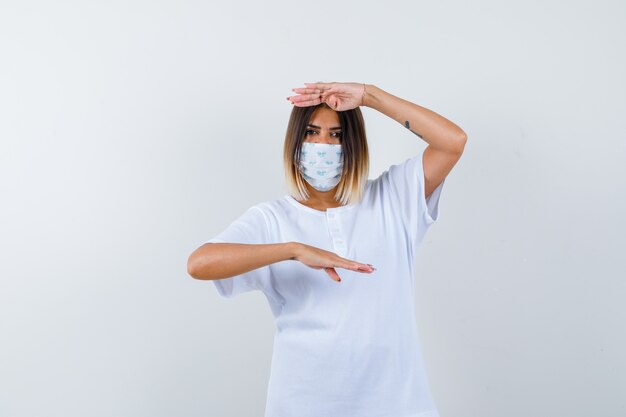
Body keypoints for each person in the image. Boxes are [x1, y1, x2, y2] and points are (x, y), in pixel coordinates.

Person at [187, 81, 467, 417]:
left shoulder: (393, 199)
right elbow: (199, 264)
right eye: (312, 132)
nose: (324, 144)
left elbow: (452, 142)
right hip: (303, 403)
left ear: (352, 144)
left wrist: (368, 96)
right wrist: (293, 250)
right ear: (296, 142)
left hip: (396, 404)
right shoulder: (272, 219)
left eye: (336, 135)